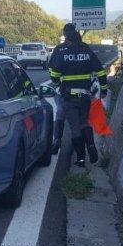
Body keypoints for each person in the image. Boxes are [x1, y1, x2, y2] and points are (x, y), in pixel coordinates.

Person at [46, 23, 108, 167]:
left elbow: (54, 73)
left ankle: (80, 158)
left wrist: (56, 82)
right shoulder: (85, 48)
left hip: (69, 96)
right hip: (85, 95)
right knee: (84, 122)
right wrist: (103, 90)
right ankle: (91, 146)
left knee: (75, 127)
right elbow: (100, 71)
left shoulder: (61, 50)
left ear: (65, 35)